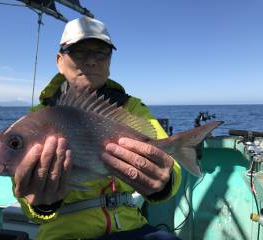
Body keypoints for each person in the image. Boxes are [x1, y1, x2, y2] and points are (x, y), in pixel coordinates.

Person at [13, 16, 182, 240]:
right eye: (79, 52)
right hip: (64, 233)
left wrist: (165, 179)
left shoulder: (131, 107)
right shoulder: (38, 118)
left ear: (109, 61)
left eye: (101, 53)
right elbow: (24, 196)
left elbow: (170, 163)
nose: (91, 61)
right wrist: (41, 203)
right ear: (59, 60)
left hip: (132, 227)